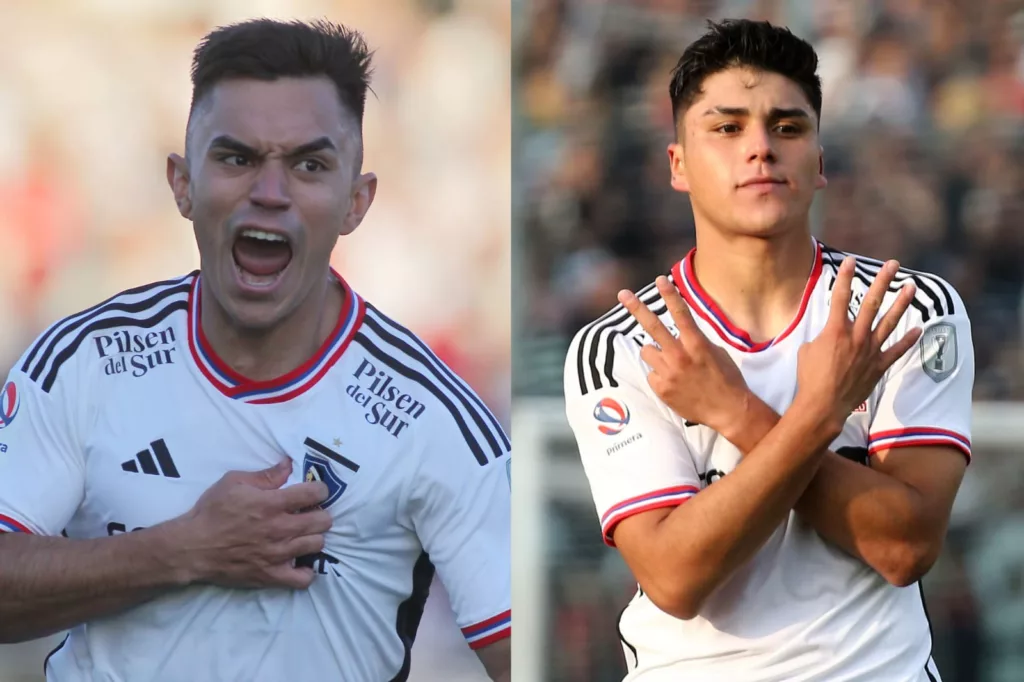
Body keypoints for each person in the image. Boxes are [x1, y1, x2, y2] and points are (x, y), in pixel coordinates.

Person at [0, 18, 510, 682]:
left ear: (357, 202)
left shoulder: (432, 416)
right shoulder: (84, 361)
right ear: (182, 183)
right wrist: (185, 550)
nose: (270, 194)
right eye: (236, 158)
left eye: (309, 165)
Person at [564, 19, 972, 682]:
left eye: (787, 126)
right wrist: (818, 418)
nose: (760, 148)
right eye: (726, 128)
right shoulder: (619, 345)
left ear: (818, 161)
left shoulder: (905, 310)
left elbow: (905, 546)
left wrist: (735, 411)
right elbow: (675, 577)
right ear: (678, 165)